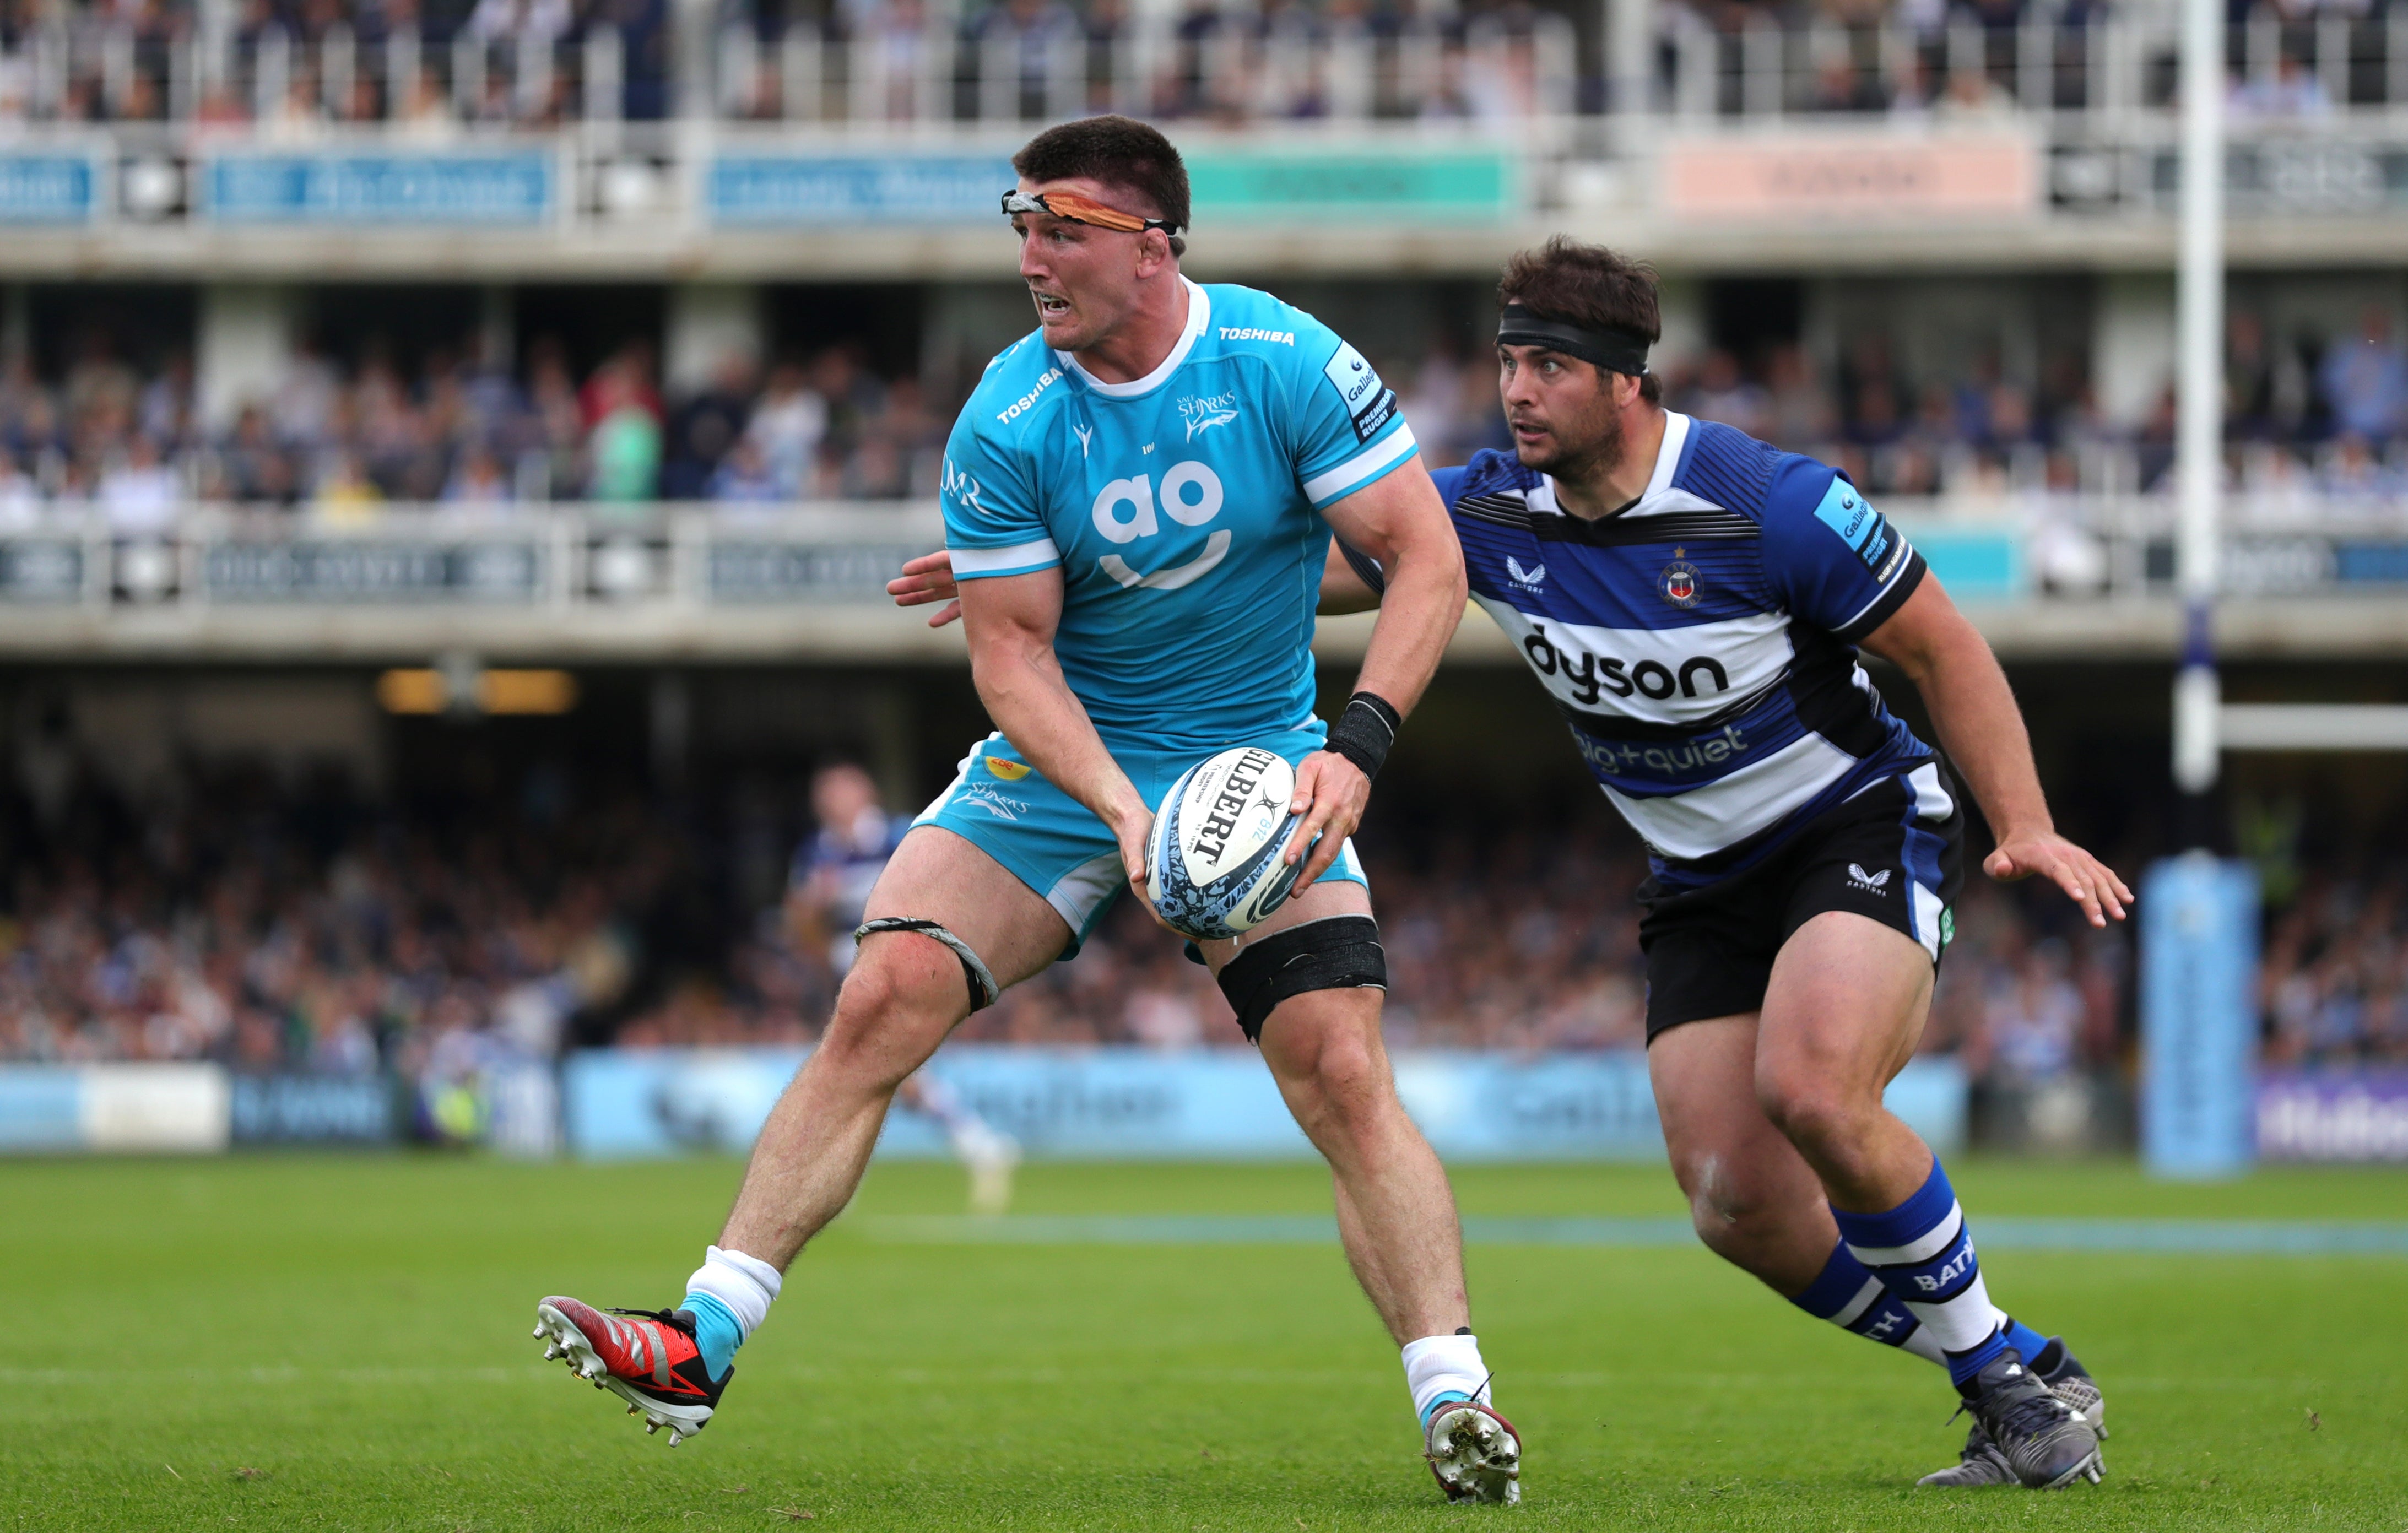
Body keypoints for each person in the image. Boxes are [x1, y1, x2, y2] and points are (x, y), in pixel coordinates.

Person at [535, 116, 1519, 1505]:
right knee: (881, 992)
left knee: (1341, 1073)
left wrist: (1353, 746)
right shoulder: (1009, 410)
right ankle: (702, 1338)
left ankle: (1455, 1401)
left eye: (1062, 228)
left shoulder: (1283, 360)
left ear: (1151, 246)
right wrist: (1120, 806)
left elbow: (1425, 560)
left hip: (1257, 761)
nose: (1032, 257)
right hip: (1064, 767)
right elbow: (1007, 650)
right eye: (1023, 226)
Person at [1330, 239, 2124, 1491]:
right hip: (1697, 881)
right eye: (1505, 362)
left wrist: (2020, 821)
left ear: (1625, 383)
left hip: (1853, 824)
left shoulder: (1769, 502)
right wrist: (1072, 581)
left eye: (1547, 365)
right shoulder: (1478, 510)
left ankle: (2005, 1400)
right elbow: (1291, 577)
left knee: (1812, 1086)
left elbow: (1945, 648)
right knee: (1733, 1206)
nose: (1515, 390)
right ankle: (2018, 1358)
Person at [784, 762, 1020, 1216]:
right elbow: (800, 925)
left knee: (871, 1070)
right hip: (847, 974)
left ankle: (974, 1143)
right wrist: (814, 908)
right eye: (827, 794)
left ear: (865, 792)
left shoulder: (900, 836)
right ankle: (976, 1143)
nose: (833, 802)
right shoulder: (816, 853)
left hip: (902, 967)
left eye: (842, 790)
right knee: (877, 1073)